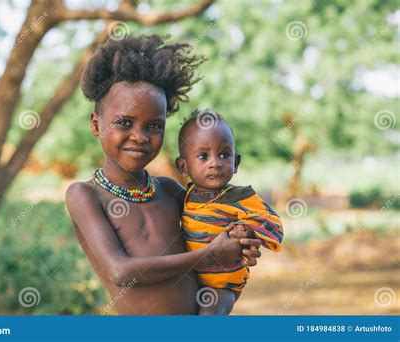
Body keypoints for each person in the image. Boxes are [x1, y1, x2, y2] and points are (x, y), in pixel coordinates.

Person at [65, 35, 263, 315]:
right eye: (124, 122)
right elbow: (119, 271)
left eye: (154, 126)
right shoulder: (85, 195)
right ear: (96, 125)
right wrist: (208, 254)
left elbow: (215, 235)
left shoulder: (171, 192)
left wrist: (241, 242)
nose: (139, 136)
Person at [175, 108, 284, 315]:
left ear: (235, 163)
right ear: (183, 167)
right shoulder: (184, 197)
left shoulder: (240, 197)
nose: (215, 163)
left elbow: (274, 223)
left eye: (224, 154)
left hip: (222, 285)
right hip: (190, 281)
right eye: (203, 156)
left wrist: (248, 231)